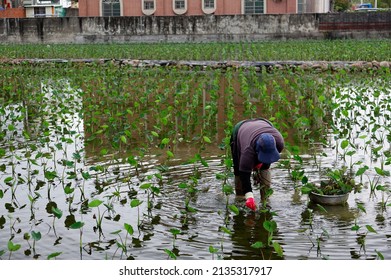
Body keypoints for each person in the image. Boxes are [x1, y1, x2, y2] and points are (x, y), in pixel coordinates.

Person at [230, 118, 284, 211]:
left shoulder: (279, 143)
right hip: (240, 129)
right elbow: (244, 175)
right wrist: (249, 196)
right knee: (239, 171)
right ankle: (240, 198)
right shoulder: (248, 151)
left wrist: (261, 165)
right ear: (256, 150)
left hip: (265, 123)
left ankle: (265, 200)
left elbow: (268, 160)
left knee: (264, 170)